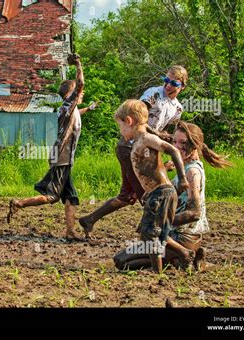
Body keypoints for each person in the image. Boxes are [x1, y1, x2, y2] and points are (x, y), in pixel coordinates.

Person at [79, 65, 188, 238]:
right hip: (130, 146)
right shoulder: (153, 94)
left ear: (182, 86)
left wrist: (164, 140)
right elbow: (139, 120)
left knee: (128, 196)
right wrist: (159, 136)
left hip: (146, 146)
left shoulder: (178, 109)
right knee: (148, 193)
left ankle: (89, 219)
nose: (168, 85)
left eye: (173, 83)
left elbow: (163, 131)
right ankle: (153, 233)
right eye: (166, 80)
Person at [113, 121, 233, 271]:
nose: (177, 146)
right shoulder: (185, 166)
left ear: (195, 145)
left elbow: (195, 213)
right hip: (174, 235)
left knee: (123, 262)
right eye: (175, 141)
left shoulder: (192, 172)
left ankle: (179, 257)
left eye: (183, 143)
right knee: (120, 259)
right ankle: (178, 259)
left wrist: (161, 222)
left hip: (183, 237)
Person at [7, 53, 88, 240]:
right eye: (78, 92)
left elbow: (77, 112)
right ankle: (19, 203)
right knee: (52, 197)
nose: (81, 93)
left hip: (64, 158)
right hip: (62, 157)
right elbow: (81, 84)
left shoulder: (69, 108)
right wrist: (78, 64)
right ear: (70, 92)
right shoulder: (69, 104)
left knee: (71, 197)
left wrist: (88, 109)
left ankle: (70, 232)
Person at [113, 99, 192, 273]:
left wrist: (182, 178)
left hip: (162, 192)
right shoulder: (142, 138)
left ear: (129, 121)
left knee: (150, 233)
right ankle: (184, 253)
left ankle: (157, 272)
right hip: (156, 193)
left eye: (120, 126)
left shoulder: (147, 139)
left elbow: (172, 150)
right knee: (155, 232)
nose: (120, 131)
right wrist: (148, 192)